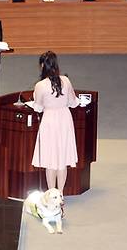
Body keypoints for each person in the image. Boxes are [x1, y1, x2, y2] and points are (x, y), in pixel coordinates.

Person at [31, 51, 79, 196]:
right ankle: (61, 194)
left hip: (49, 121)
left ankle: (51, 194)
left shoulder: (40, 85)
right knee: (62, 159)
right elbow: (73, 102)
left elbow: (38, 107)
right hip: (64, 120)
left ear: (42, 66)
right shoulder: (66, 80)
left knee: (50, 159)